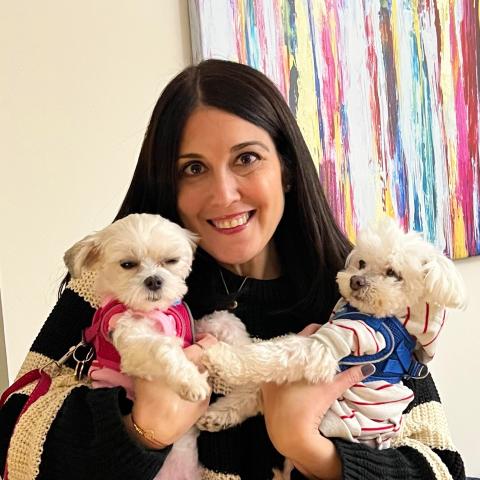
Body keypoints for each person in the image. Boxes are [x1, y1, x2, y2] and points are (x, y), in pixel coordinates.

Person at [0, 59, 465, 480]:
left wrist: (311, 448)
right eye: (193, 168)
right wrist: (140, 430)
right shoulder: (115, 283)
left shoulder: (361, 295)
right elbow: (12, 438)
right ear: (168, 182)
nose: (223, 195)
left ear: (284, 166)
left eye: (246, 158)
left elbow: (441, 465)